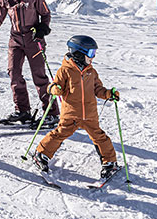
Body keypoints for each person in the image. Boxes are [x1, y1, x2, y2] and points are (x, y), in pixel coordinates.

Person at [31, 35, 121, 181]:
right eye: (91, 53)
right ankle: (41, 154)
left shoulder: (91, 72)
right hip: (71, 113)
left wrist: (108, 94)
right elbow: (53, 85)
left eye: (94, 53)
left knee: (100, 137)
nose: (93, 57)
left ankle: (110, 163)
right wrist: (55, 89)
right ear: (79, 53)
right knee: (59, 133)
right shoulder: (65, 70)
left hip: (90, 114)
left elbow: (98, 89)